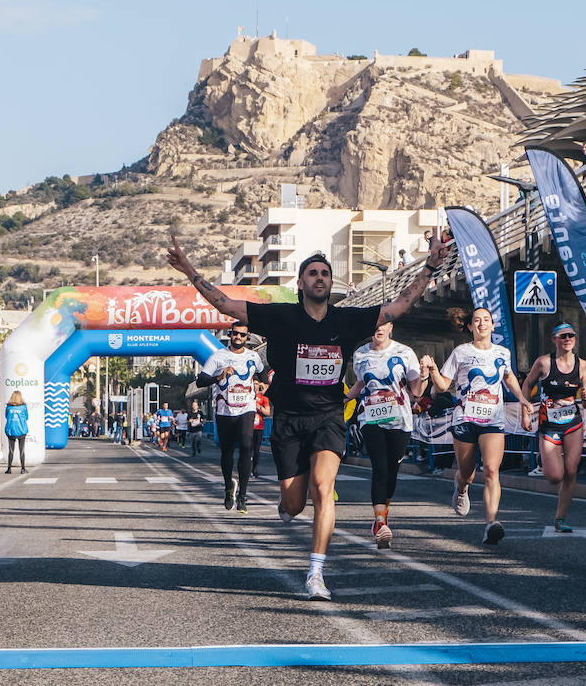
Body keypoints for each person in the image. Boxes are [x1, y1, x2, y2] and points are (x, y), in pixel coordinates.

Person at [166, 232, 449, 601]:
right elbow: (227, 305)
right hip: (289, 420)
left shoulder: (347, 321)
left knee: (323, 489)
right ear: (300, 283)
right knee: (295, 503)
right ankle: (287, 505)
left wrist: (430, 266)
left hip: (329, 417)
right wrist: (190, 271)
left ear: (331, 283)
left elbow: (399, 306)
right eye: (313, 273)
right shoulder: (281, 317)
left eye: (325, 274)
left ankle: (316, 573)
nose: (320, 278)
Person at [425, 306, 532, 546]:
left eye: (486, 320)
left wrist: (522, 399)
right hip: (465, 418)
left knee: (492, 470)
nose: (482, 324)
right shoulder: (461, 352)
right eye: (477, 321)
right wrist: (433, 370)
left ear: (493, 326)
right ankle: (461, 488)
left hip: (492, 419)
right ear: (471, 327)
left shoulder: (502, 353)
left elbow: (508, 376)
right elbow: (443, 386)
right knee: (467, 473)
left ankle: (491, 523)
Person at [345, 322, 426, 548]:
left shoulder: (405, 352)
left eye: (382, 325)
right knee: (379, 468)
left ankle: (383, 515)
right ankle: (380, 522)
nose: (378, 329)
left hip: (400, 419)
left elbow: (417, 392)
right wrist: (345, 398)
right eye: (374, 324)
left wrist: (426, 374)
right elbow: (361, 383)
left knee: (391, 472)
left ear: (390, 326)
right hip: (371, 417)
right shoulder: (361, 354)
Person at [521, 323, 586, 533]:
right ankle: (549, 461)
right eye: (563, 336)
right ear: (554, 339)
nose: (567, 339)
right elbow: (527, 385)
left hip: (572, 422)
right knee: (554, 477)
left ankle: (560, 518)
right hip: (548, 423)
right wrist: (526, 413)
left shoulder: (583, 366)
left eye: (571, 335)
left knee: (571, 471)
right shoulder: (544, 363)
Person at [200, 322, 264, 513]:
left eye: (242, 335)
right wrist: (219, 377)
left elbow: (262, 375)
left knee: (246, 447)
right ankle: (229, 488)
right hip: (224, 410)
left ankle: (243, 496)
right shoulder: (218, 356)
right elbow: (201, 380)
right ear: (230, 334)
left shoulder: (253, 356)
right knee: (227, 451)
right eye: (235, 334)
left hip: (247, 408)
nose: (238, 337)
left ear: (247, 337)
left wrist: (262, 384)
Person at [251, 373, 271, 478]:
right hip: (247, 427)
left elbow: (268, 412)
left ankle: (254, 468)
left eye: (256, 384)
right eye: (253, 384)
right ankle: (246, 467)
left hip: (258, 427)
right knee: (246, 448)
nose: (255, 386)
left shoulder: (263, 398)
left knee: (256, 450)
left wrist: (258, 407)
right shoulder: (246, 396)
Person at [5, 391, 28, 474]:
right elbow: (26, 417)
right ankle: (23, 468)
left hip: (11, 430)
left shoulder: (8, 407)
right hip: (21, 430)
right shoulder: (23, 407)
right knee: (21, 450)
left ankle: (9, 469)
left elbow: (6, 416)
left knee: (11, 450)